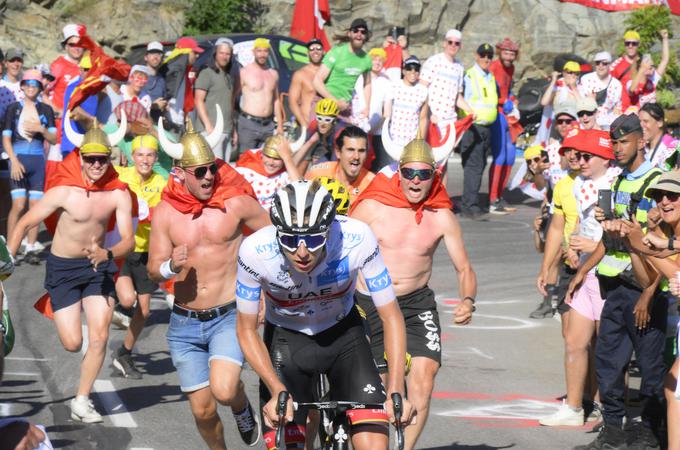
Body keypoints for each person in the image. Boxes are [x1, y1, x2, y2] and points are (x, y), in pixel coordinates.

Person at [235, 180, 414, 449]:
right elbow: (246, 329)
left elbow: (391, 316)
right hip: (286, 341)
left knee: (375, 444)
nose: (302, 252)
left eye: (315, 239)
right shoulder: (254, 252)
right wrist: (275, 388)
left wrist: (397, 387)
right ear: (277, 233)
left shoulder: (357, 238)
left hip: (344, 335)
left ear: (330, 230)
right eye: (290, 240)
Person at [150, 111, 270, 448]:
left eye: (212, 169)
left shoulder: (235, 205)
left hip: (228, 316)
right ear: (181, 173)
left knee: (224, 389)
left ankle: (241, 403)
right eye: (199, 172)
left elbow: (276, 241)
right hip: (184, 323)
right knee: (202, 411)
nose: (207, 177)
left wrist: (263, 294)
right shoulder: (166, 212)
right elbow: (152, 268)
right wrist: (170, 268)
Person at [350, 134, 476, 450]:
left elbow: (464, 268)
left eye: (424, 174)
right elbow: (338, 251)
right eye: (410, 173)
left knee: (425, 375)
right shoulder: (373, 206)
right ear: (400, 172)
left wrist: (467, 299)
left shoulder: (442, 216)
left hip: (416, 302)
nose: (416, 181)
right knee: (382, 387)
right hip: (371, 303)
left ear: (434, 176)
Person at [6, 115, 134, 423]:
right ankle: (101, 311)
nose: (96, 165)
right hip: (62, 270)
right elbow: (25, 222)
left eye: (101, 159)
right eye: (90, 159)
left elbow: (128, 241)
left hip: (96, 269)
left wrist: (108, 253)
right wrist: (5, 265)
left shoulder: (118, 193)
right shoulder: (63, 192)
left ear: (109, 159)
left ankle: (81, 399)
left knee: (99, 337)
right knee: (73, 343)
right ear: (80, 158)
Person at [569, 114, 665, 450]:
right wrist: (583, 272)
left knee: (651, 368)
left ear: (641, 140)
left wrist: (649, 294)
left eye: (624, 142)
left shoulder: (657, 184)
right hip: (616, 286)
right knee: (609, 363)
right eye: (614, 142)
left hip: (647, 290)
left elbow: (664, 247)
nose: (618, 148)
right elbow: (609, 240)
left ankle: (652, 432)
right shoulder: (619, 182)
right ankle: (612, 430)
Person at [539, 128, 616, 426]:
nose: (580, 161)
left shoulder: (614, 184)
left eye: (587, 156)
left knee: (607, 347)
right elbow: (572, 227)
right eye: (578, 155)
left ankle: (608, 410)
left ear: (605, 158)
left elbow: (621, 236)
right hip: (584, 273)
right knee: (574, 341)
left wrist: (592, 248)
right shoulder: (577, 185)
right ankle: (573, 408)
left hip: (609, 274)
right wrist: (571, 251)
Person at [111, 134, 167, 379]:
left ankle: (124, 353)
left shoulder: (163, 182)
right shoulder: (121, 176)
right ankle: (109, 295)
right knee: (126, 300)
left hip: (147, 252)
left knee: (143, 312)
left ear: (156, 158)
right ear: (132, 157)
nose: (145, 160)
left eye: (150, 155)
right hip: (123, 249)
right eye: (140, 155)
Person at [3, 70, 57, 265]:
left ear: (40, 88)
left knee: (36, 207)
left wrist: (40, 129)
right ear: (22, 86)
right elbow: (6, 138)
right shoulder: (13, 108)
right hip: (18, 159)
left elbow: (54, 138)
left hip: (37, 160)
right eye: (28, 83)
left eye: (35, 84)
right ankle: (10, 249)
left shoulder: (45, 109)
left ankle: (31, 246)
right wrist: (14, 161)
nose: (31, 87)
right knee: (18, 205)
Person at [531, 130, 581, 320]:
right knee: (571, 339)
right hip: (571, 265)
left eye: (577, 150)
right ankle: (547, 301)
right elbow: (556, 229)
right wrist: (544, 268)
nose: (573, 155)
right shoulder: (562, 185)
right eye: (567, 150)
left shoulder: (603, 181)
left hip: (593, 266)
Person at [459, 43, 498, 219]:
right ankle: (469, 205)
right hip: (472, 126)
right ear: (476, 55)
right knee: (473, 166)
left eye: (489, 56)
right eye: (483, 55)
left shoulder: (490, 77)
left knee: (480, 165)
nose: (486, 59)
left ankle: (471, 200)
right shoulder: (469, 75)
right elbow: (460, 99)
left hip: (486, 127)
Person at [313, 18, 372, 120]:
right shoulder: (337, 52)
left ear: (366, 36)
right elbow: (317, 81)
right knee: (314, 136)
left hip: (344, 108)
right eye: (355, 31)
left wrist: (367, 106)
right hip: (324, 101)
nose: (359, 34)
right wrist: (335, 102)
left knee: (345, 135)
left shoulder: (366, 59)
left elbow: (367, 84)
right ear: (349, 33)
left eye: (363, 32)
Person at [420, 29, 474, 135]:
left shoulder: (459, 67)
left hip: (450, 122)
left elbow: (457, 96)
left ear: (460, 46)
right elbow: (421, 90)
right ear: (444, 43)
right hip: (432, 119)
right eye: (450, 42)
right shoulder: (433, 61)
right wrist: (427, 114)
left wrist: (470, 110)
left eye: (457, 43)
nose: (453, 45)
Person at [488, 37, 520, 215]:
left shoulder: (511, 68)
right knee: (500, 156)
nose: (509, 55)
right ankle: (492, 200)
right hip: (497, 112)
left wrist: (512, 99)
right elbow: (490, 93)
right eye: (506, 52)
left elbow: (508, 90)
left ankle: (499, 196)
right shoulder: (494, 67)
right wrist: (504, 101)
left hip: (508, 113)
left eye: (512, 53)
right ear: (500, 51)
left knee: (510, 157)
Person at [381, 56, 428, 170]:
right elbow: (386, 113)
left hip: (411, 141)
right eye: (409, 68)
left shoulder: (423, 91)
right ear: (403, 70)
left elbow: (423, 118)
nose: (413, 72)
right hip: (393, 139)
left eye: (416, 69)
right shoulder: (393, 86)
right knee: (391, 171)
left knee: (408, 172)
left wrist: (420, 141)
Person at [305, 125, 375, 203]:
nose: (356, 156)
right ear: (338, 152)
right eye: (350, 150)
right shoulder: (318, 174)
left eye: (361, 151)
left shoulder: (372, 184)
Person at [237, 38, 283, 154]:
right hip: (248, 124)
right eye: (259, 51)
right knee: (245, 161)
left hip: (268, 125)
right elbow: (233, 97)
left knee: (265, 161)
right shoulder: (244, 72)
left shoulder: (273, 74)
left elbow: (276, 100)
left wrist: (280, 125)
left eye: (265, 51)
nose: (262, 54)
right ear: (253, 52)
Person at [194, 37, 236, 161]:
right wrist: (208, 126)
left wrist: (233, 129)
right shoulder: (207, 73)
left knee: (225, 170)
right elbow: (198, 100)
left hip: (226, 130)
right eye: (221, 53)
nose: (225, 56)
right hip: (211, 131)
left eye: (228, 54)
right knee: (213, 169)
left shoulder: (229, 76)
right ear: (215, 54)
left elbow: (229, 104)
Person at [235, 134, 301, 209]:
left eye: (276, 159)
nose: (271, 162)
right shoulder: (245, 171)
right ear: (261, 155)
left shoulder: (284, 174)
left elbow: (300, 190)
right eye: (268, 156)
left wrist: (287, 158)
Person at [50, 24, 86, 147]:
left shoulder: (88, 66)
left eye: (80, 43)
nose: (76, 48)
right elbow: (41, 94)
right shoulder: (58, 65)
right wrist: (57, 111)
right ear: (65, 46)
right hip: (61, 128)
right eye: (72, 44)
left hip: (83, 126)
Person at [161, 36, 204, 129]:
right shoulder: (174, 70)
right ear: (185, 53)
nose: (197, 56)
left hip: (178, 120)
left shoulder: (183, 70)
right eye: (195, 52)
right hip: (170, 121)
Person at [60, 53, 98, 157]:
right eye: (86, 69)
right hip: (71, 142)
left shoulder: (94, 89)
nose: (89, 72)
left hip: (87, 143)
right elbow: (74, 109)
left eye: (92, 69)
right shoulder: (74, 87)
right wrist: (92, 119)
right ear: (80, 70)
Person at [625, 30, 670, 111]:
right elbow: (631, 90)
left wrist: (665, 39)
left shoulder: (653, 79)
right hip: (637, 119)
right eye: (649, 67)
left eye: (653, 66)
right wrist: (642, 69)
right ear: (641, 67)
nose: (652, 68)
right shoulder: (631, 83)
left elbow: (665, 60)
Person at [577, 51, 622, 130]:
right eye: (598, 63)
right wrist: (590, 101)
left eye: (604, 63)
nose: (600, 66)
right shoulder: (586, 79)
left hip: (606, 126)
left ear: (610, 65)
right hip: (587, 124)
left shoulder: (617, 85)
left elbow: (617, 109)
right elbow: (579, 102)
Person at [289, 39, 325, 128]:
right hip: (308, 124)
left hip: (327, 125)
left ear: (324, 52)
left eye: (318, 48)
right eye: (312, 49)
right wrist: (303, 124)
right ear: (307, 53)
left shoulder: (330, 73)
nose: (315, 51)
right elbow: (292, 102)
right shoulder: (300, 74)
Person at [640, 102, 679, 171]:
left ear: (660, 122)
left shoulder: (673, 147)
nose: (641, 125)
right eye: (639, 121)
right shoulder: (642, 148)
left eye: (645, 121)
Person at [0, 49, 25, 122]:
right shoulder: (1, 85)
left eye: (19, 60)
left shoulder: (27, 87)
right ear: (5, 63)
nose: (16, 64)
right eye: (12, 60)